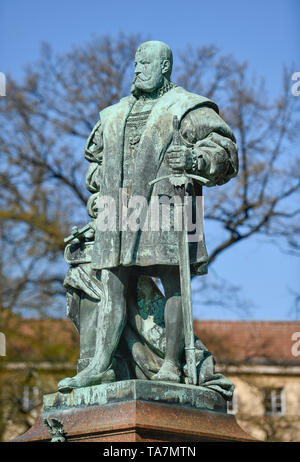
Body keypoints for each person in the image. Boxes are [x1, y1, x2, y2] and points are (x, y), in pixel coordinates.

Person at [58, 41, 238, 392]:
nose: (137, 69)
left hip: (167, 204)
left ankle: (172, 364)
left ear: (165, 67)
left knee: (173, 282)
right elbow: (94, 161)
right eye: (135, 63)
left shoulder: (187, 107)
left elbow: (225, 151)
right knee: (112, 281)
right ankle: (100, 365)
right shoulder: (113, 114)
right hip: (118, 209)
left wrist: (195, 161)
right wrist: (98, 184)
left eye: (145, 64)